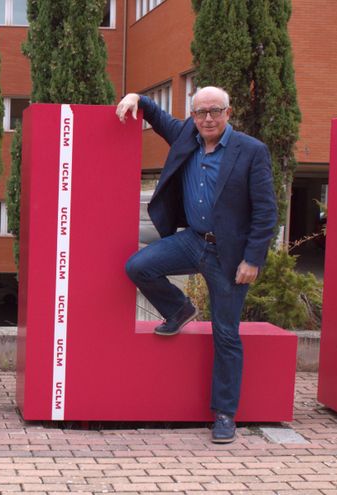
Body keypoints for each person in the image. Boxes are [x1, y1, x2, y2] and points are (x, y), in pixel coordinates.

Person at [116, 86, 277, 444]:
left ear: (228, 113)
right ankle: (179, 308)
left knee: (226, 335)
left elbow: (266, 213)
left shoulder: (250, 151)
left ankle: (224, 414)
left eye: (215, 111)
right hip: (193, 241)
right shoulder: (186, 135)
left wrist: (253, 259)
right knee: (138, 266)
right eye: (201, 111)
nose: (207, 118)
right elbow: (158, 118)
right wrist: (136, 99)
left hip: (229, 256)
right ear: (192, 115)